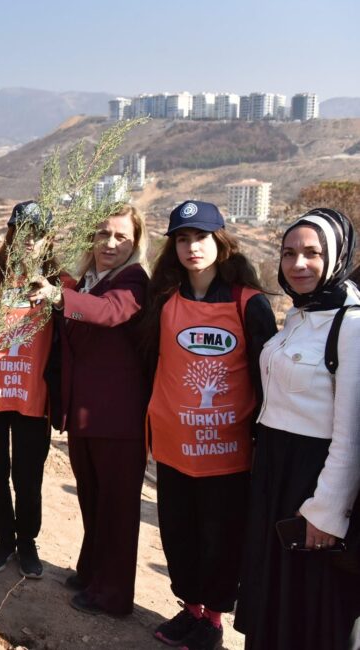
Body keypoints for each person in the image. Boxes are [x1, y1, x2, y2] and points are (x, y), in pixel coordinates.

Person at [142, 201, 276, 649]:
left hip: (228, 453)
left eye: (200, 237)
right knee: (179, 533)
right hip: (175, 447)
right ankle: (190, 609)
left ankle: (213, 621)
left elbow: (265, 380)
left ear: (220, 241)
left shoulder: (249, 304)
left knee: (221, 539)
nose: (191, 247)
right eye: (182, 238)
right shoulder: (164, 300)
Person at [235, 208, 360, 649]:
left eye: (312, 253)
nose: (298, 264)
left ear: (337, 255)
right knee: (275, 596)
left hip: (311, 480)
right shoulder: (301, 313)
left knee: (310, 607)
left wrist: (326, 510)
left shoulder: (352, 323)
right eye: (289, 253)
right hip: (275, 472)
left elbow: (350, 431)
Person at [28, 204, 150, 617]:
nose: (110, 243)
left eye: (120, 236)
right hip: (86, 414)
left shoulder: (133, 280)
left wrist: (60, 297)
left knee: (116, 508)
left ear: (135, 243)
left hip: (118, 418)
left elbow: (112, 313)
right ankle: (92, 571)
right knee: (93, 499)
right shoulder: (89, 279)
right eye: (103, 234)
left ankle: (113, 595)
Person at [0, 201, 66, 580]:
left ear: (48, 238)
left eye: (37, 232)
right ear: (11, 233)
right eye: (21, 230)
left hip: (33, 398)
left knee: (28, 479)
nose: (28, 239)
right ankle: (3, 540)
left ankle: (27, 541)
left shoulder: (60, 282)